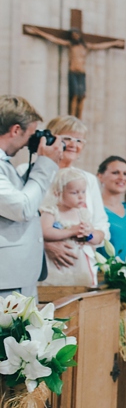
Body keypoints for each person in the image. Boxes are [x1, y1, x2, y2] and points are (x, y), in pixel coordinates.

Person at [30, 116, 110, 281]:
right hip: (38, 262)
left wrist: (88, 234)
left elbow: (101, 225)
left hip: (80, 264)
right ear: (52, 139)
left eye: (79, 140)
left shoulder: (88, 179)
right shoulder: (29, 172)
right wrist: (45, 244)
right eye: (67, 139)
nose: (74, 144)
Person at [0, 96, 63, 297]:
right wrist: (44, 164)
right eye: (31, 133)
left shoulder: (5, 163)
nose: (31, 141)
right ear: (16, 130)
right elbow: (22, 208)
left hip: (16, 275)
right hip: (6, 278)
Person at [39, 168, 101, 287]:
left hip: (79, 265)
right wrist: (71, 231)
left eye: (83, 192)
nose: (81, 196)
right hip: (55, 267)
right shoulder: (51, 211)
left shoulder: (83, 213)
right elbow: (45, 231)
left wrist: (89, 235)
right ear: (58, 192)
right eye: (74, 192)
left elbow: (96, 237)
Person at [98, 156, 126, 261]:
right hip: (105, 274)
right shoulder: (95, 209)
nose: (122, 177)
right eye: (115, 173)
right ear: (100, 176)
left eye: (125, 174)